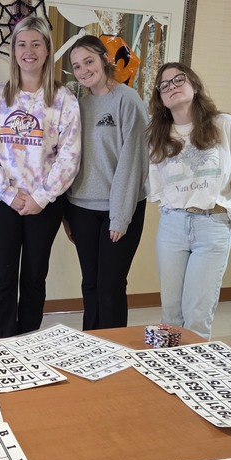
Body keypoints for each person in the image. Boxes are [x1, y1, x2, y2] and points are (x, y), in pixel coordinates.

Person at [0, 15, 81, 338]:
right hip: (6, 202)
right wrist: (8, 194)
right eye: (21, 44)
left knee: (34, 278)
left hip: (45, 205)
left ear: (47, 50)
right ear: (13, 51)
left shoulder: (64, 100)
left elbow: (70, 156)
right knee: (2, 278)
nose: (28, 51)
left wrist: (41, 197)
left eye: (36, 44)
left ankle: (28, 341)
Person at [147, 61, 231, 339]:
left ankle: (192, 374)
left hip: (212, 225)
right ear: (160, 98)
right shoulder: (157, 135)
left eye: (179, 80)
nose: (172, 87)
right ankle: (168, 373)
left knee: (197, 314)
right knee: (170, 313)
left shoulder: (224, 125)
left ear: (194, 84)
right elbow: (159, 191)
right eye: (164, 85)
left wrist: (210, 207)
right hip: (172, 226)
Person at [65, 35, 148, 329]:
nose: (84, 70)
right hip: (82, 208)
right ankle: (92, 345)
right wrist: (66, 213)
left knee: (110, 286)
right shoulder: (78, 105)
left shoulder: (128, 101)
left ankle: (115, 350)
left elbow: (133, 161)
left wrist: (120, 217)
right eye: (76, 66)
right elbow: (70, 160)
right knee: (90, 284)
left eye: (89, 61)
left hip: (120, 208)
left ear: (105, 59)